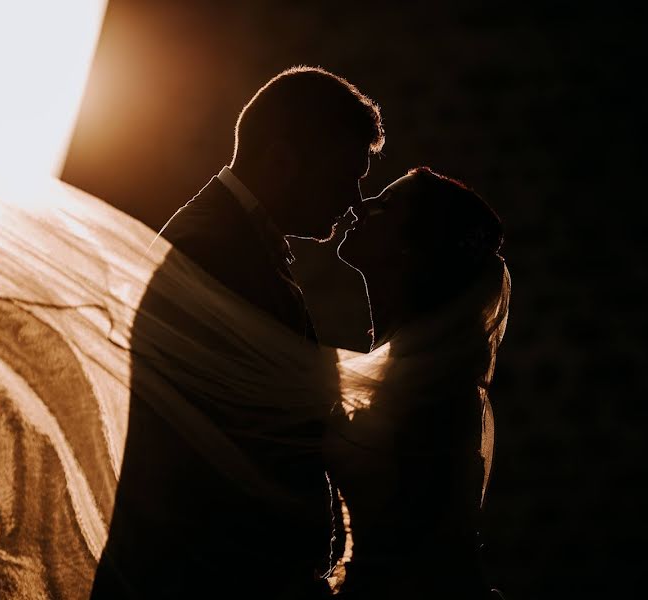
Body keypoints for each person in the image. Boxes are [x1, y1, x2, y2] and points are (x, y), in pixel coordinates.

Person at [90, 66, 384, 599]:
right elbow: (229, 441)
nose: (355, 201)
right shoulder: (212, 251)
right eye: (346, 174)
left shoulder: (234, 241)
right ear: (282, 161)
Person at [330, 167, 510, 598]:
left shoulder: (436, 392)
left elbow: (426, 547)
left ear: (412, 247)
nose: (361, 206)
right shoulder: (402, 369)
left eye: (385, 205)